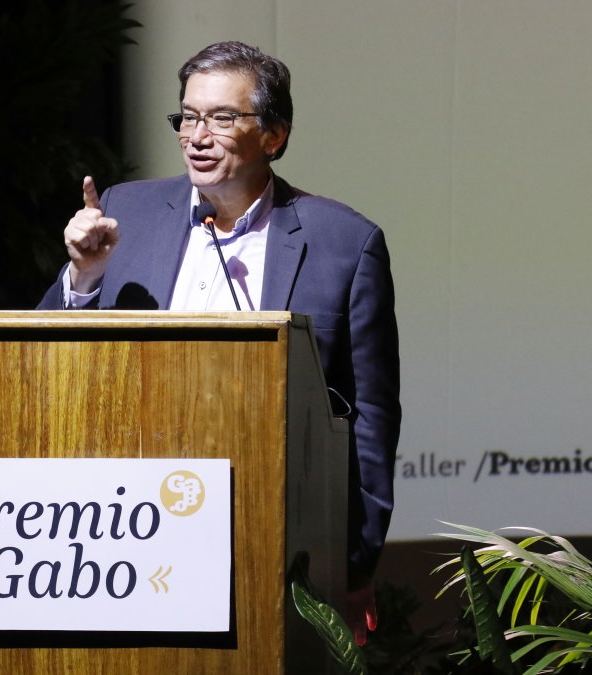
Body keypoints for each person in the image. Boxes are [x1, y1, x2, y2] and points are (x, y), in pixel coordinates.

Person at [37, 41, 400, 645]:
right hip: (122, 528)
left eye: (222, 118)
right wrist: (83, 277)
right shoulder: (126, 213)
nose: (196, 136)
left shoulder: (345, 242)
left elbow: (370, 417)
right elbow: (44, 358)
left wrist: (356, 562)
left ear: (274, 135)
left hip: (272, 535)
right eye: (189, 116)